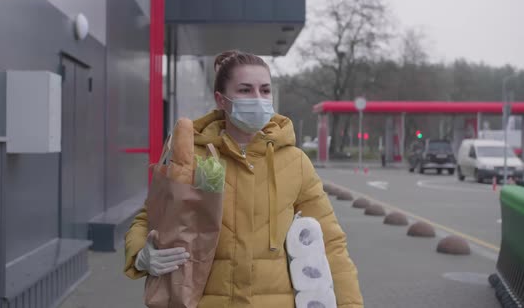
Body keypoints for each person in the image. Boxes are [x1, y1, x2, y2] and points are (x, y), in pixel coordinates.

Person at [124, 50, 364, 307]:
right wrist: (141, 254)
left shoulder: (295, 162)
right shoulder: (191, 156)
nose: (258, 98)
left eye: (265, 90)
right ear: (221, 99)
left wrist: (350, 304)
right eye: (246, 90)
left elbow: (331, 243)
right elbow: (150, 217)